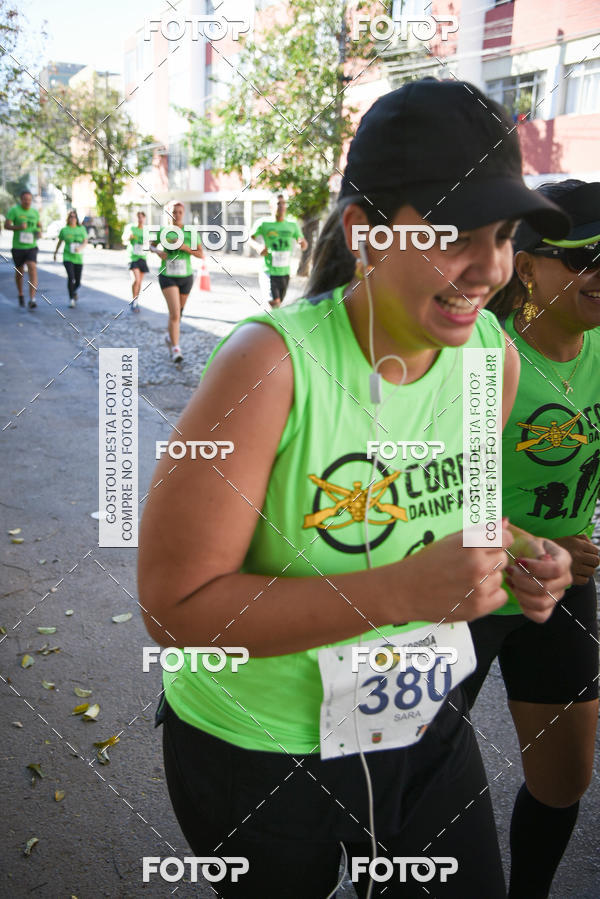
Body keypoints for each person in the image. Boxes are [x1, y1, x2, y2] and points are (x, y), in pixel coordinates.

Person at [138, 79, 572, 898]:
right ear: (365, 234)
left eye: (506, 235)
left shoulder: (492, 355)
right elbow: (175, 610)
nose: (490, 268)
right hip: (259, 748)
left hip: (416, 718)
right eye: (455, 235)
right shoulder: (269, 366)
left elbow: (462, 509)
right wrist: (402, 589)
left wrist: (524, 553)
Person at [464, 179, 600, 899]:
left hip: (564, 588)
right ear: (529, 267)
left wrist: (576, 541)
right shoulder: (489, 358)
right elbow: (449, 496)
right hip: (465, 586)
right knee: (403, 777)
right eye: (586, 256)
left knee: (564, 777)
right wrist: (537, 543)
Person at [150, 202, 204, 363]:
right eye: (174, 212)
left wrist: (185, 247)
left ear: (184, 213)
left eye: (180, 212)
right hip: (168, 275)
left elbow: (201, 254)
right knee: (174, 313)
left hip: (186, 276)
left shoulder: (190, 232)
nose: (177, 215)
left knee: (179, 314)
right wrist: (157, 251)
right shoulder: (163, 231)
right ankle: (176, 349)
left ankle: (170, 336)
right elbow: (150, 246)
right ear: (169, 213)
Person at [252, 194, 308, 307]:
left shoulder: (292, 224)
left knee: (278, 303)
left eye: (283, 203)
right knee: (274, 303)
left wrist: (302, 243)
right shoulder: (264, 223)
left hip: (285, 272)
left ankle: (271, 321)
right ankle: (272, 324)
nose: (281, 206)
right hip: (268, 271)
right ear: (271, 207)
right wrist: (258, 246)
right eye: (278, 203)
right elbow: (249, 238)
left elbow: (304, 244)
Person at [5, 189, 42, 309]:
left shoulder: (34, 212)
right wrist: (18, 227)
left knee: (32, 267)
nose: (27, 202)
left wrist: (39, 232)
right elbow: (6, 225)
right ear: (21, 200)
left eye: (29, 200)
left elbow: (39, 226)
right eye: (25, 199)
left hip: (31, 246)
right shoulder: (14, 211)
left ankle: (32, 298)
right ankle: (21, 294)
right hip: (18, 247)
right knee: (20, 272)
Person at [53, 210, 88, 308]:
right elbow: (59, 242)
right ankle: (71, 298)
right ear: (68, 219)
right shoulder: (64, 230)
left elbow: (85, 241)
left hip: (78, 258)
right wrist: (55, 253)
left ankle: (74, 291)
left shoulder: (81, 229)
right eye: (71, 217)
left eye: (74, 217)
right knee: (71, 277)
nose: (73, 219)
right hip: (67, 257)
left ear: (77, 219)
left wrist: (80, 248)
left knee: (78, 281)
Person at [126, 210, 149, 311]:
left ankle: (136, 300)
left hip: (142, 257)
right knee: (136, 279)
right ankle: (133, 300)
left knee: (139, 282)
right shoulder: (131, 228)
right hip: (133, 257)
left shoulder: (146, 230)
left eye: (142, 217)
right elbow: (124, 238)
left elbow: (149, 244)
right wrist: (128, 237)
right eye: (138, 217)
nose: (140, 219)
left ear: (144, 218)